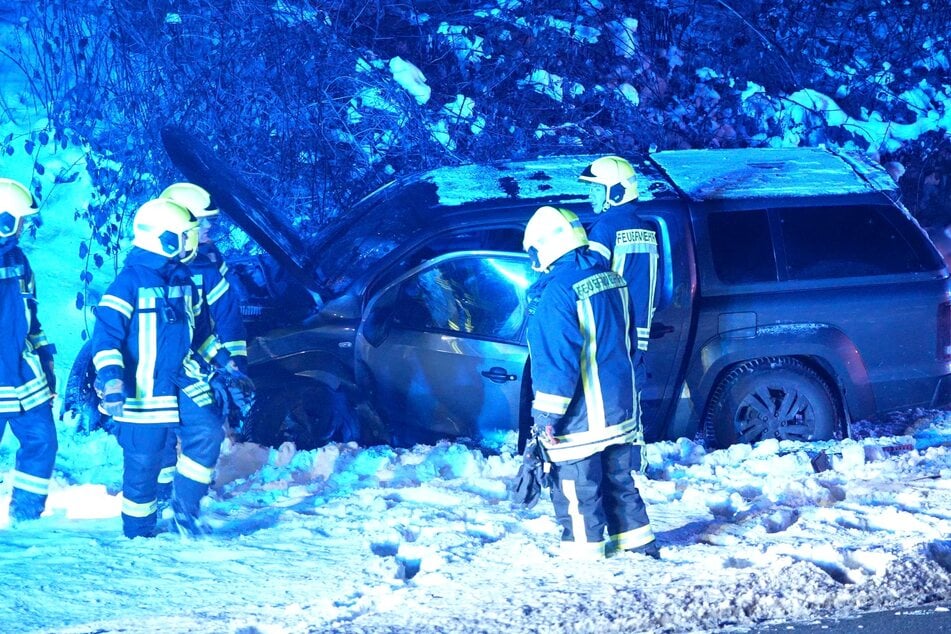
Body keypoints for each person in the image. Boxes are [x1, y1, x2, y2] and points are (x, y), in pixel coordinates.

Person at [91, 198, 246, 538]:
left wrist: (225, 361)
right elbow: (105, 340)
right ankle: (138, 533)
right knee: (142, 466)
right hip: (142, 391)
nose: (195, 241)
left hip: (182, 381)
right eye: (186, 236)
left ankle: (186, 510)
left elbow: (202, 333)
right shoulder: (126, 284)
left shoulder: (184, 280)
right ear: (165, 240)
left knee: (207, 431)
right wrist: (113, 381)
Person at [522, 205, 657, 559]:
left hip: (581, 419)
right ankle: (640, 547)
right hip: (620, 411)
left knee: (577, 490)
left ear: (545, 246)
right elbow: (628, 339)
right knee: (620, 483)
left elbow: (556, 365)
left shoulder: (556, 294)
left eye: (534, 250)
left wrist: (545, 421)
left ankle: (586, 562)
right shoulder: (612, 279)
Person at [156, 183, 249, 503]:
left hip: (200, 355)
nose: (209, 227)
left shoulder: (209, 259)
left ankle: (187, 494)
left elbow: (227, 313)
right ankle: (162, 493)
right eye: (202, 221)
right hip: (159, 363)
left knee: (203, 424)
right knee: (161, 430)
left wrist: (235, 363)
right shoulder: (151, 264)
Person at [580, 155, 659, 449]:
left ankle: (610, 456)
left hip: (611, 330)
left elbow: (589, 277)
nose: (590, 195)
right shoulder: (646, 229)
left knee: (607, 398)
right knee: (633, 396)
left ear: (615, 192)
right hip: (639, 330)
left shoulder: (604, 228)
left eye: (595, 189)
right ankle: (635, 455)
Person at [0, 178, 58, 523]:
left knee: (43, 443)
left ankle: (26, 518)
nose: (22, 228)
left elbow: (31, 317)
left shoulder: (19, 261)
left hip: (23, 375)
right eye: (17, 220)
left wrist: (46, 362)